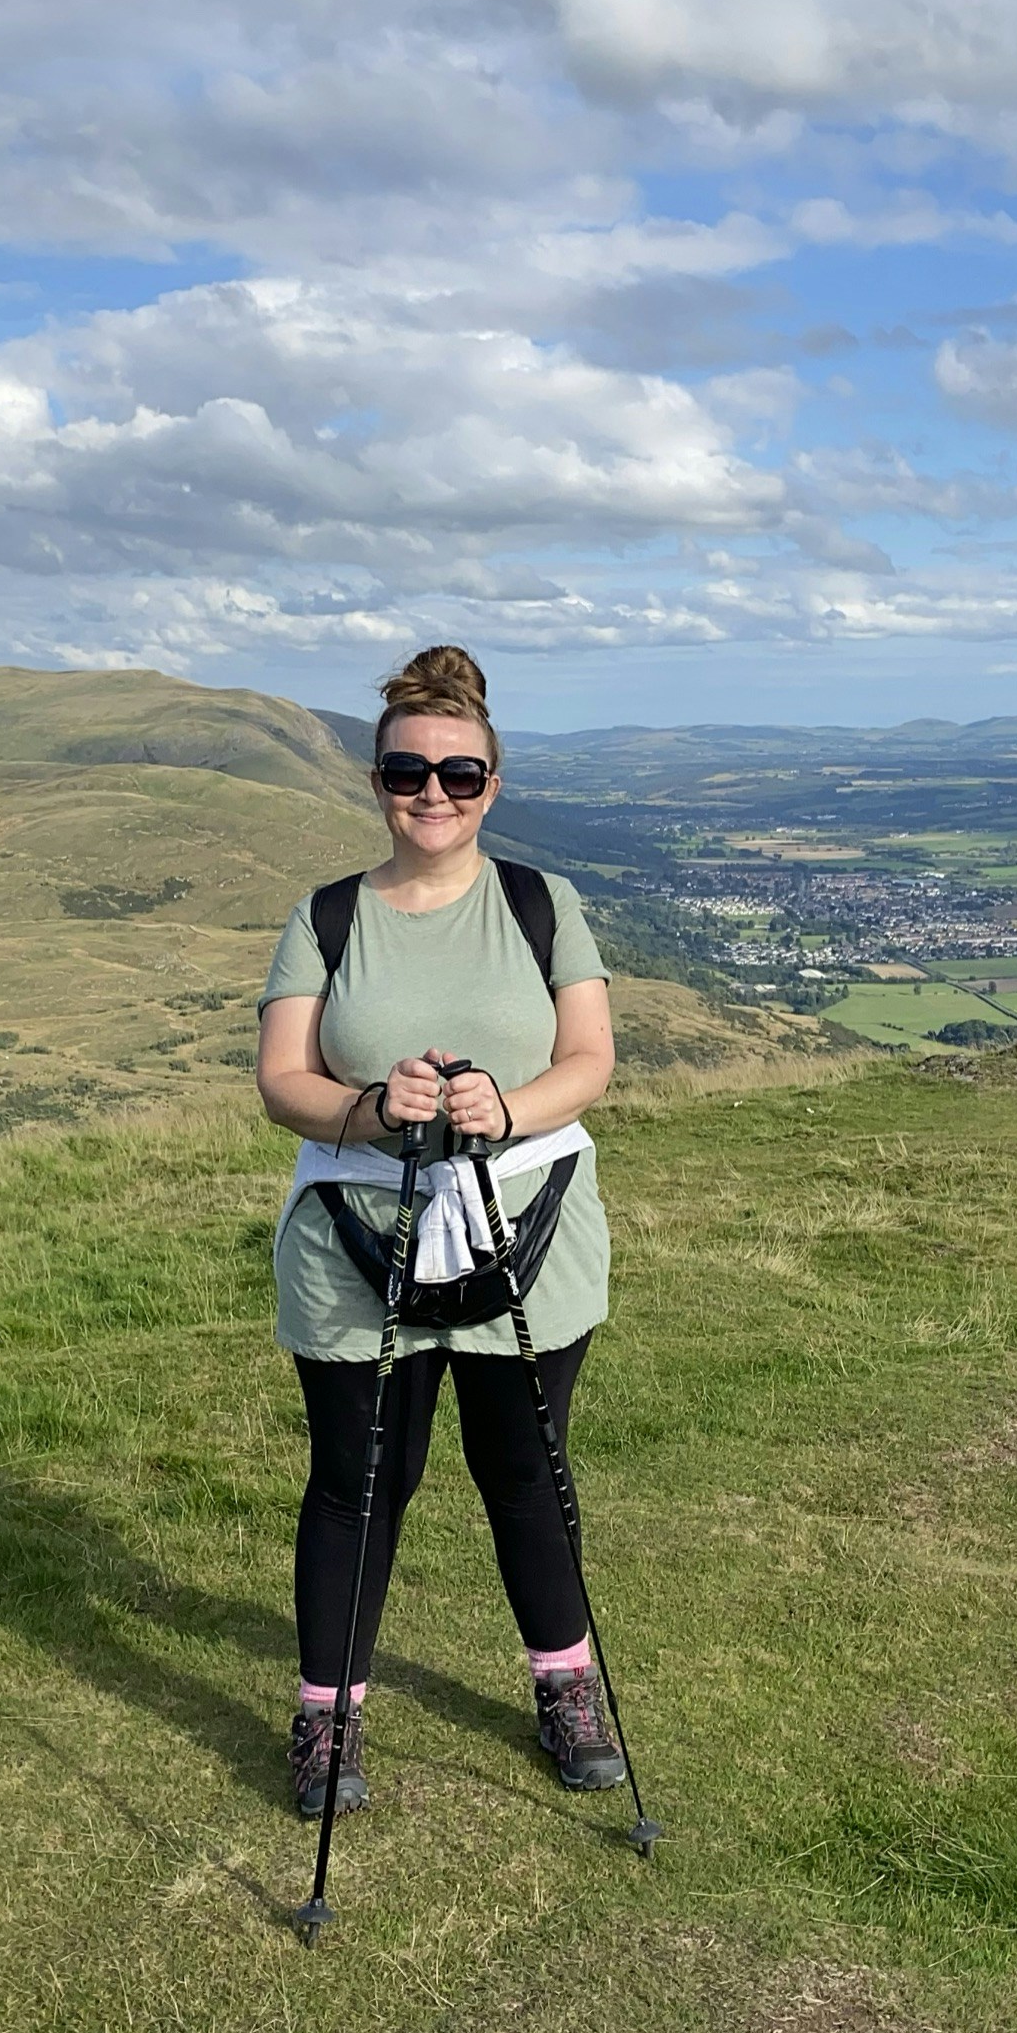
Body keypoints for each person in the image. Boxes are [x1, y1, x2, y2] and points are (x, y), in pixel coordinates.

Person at [250, 647, 626, 1818]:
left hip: (532, 1231)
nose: (433, 794)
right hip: (361, 1243)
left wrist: (504, 1108)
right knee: (360, 1482)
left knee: (527, 1473)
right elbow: (280, 1083)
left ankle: (567, 1693)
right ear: (376, 781)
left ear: (492, 785)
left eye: (459, 774)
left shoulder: (538, 903)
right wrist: (372, 1109)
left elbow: (592, 1061)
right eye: (409, 773)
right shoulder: (324, 918)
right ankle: (328, 1719)